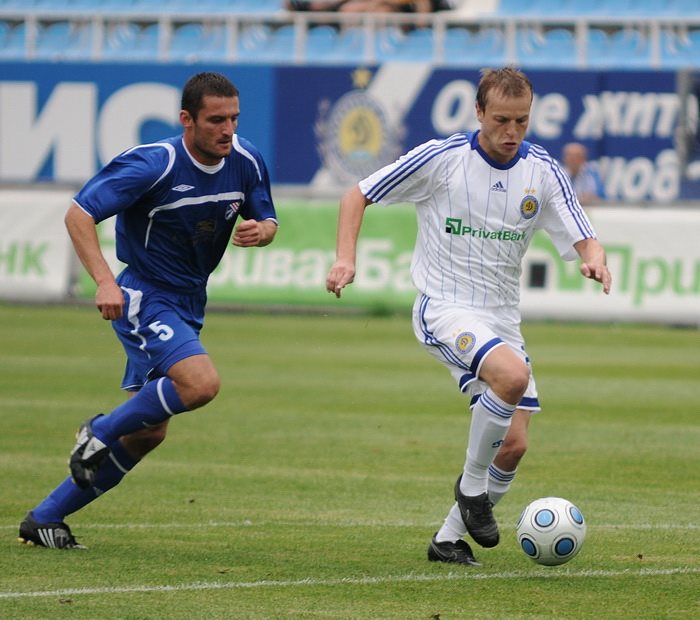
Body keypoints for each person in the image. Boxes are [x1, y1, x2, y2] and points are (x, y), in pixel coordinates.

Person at [326, 67, 611, 566]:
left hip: (502, 319)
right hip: (444, 306)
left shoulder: (542, 171)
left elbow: (584, 235)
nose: (511, 131)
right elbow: (358, 194)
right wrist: (345, 259)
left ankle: (448, 540)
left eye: (521, 121)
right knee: (511, 376)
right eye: (501, 120)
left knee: (514, 445)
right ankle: (472, 487)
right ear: (478, 112)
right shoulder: (442, 158)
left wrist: (595, 260)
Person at [18, 71, 278, 550]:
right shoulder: (152, 164)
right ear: (186, 120)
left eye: (234, 119)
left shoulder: (246, 159)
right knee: (200, 384)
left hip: (190, 299)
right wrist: (104, 281)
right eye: (216, 120)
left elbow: (266, 217)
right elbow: (79, 214)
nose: (227, 130)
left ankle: (46, 517)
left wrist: (263, 231)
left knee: (149, 433)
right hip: (145, 294)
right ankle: (98, 430)